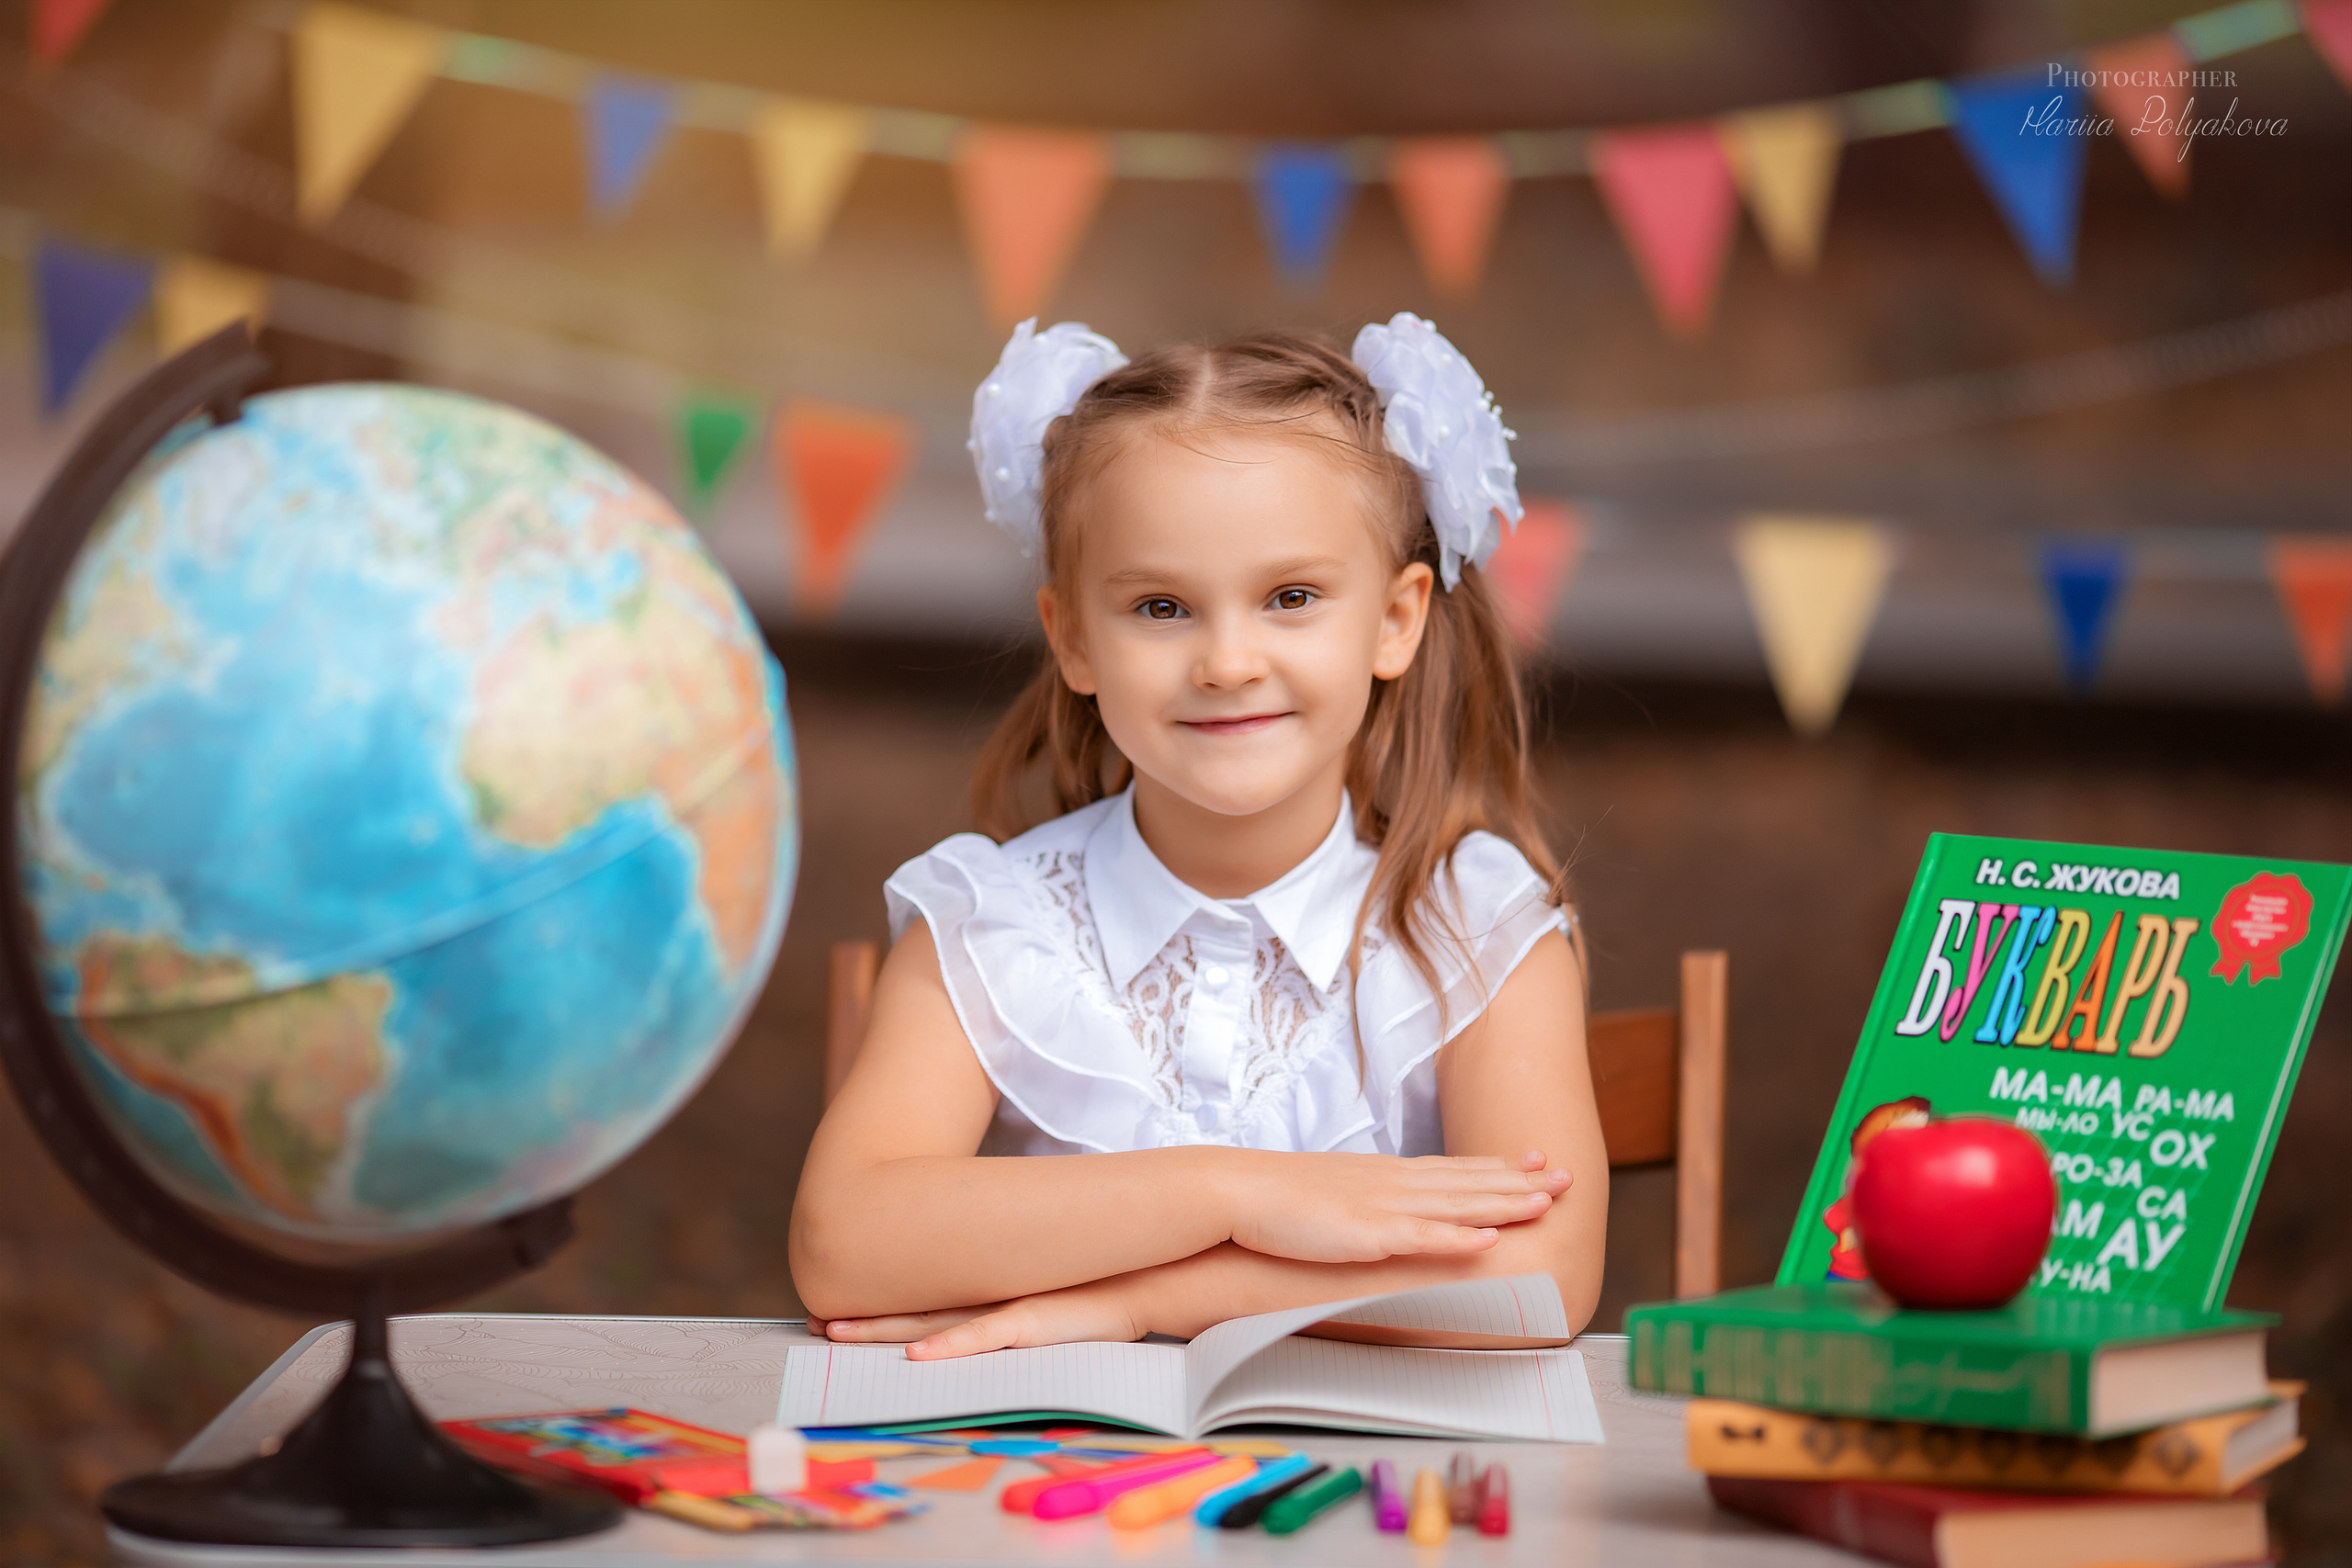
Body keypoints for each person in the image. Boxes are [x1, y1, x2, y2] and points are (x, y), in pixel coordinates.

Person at [789, 314, 1607, 1359]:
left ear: (1397, 620)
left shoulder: (1476, 926)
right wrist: (1242, 1192)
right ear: (1075, 638)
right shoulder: (992, 922)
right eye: (1163, 606)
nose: (1227, 661)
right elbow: (843, 1242)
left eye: (1291, 597)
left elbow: (1539, 1277)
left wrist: (1153, 1300)